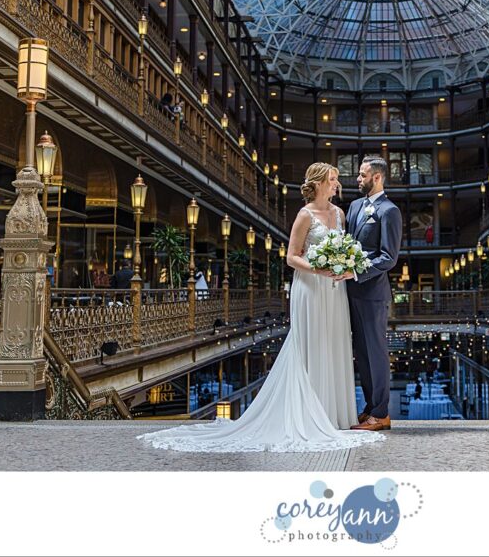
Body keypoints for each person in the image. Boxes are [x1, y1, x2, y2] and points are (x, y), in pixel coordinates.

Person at [137, 163, 384, 453]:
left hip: (335, 290)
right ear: (317, 183)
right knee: (312, 345)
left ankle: (336, 416)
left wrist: (342, 265)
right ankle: (310, 416)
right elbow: (292, 258)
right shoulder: (305, 215)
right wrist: (319, 268)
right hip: (311, 288)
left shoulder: (341, 214)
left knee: (335, 343)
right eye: (332, 179)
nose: (337, 184)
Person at [342, 156, 403, 432]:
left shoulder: (389, 211)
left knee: (376, 353)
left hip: (373, 293)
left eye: (363, 175)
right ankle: (369, 408)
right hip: (350, 292)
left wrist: (356, 272)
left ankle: (381, 413)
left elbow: (388, 258)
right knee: (362, 355)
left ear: (377, 177)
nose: (358, 179)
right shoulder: (354, 206)